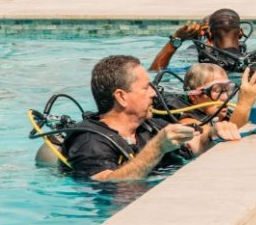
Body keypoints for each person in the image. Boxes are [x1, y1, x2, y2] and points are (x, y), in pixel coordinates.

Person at [60, 55, 240, 181]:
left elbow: (194, 145)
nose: (155, 93)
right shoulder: (90, 142)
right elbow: (107, 183)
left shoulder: (150, 127)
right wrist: (157, 148)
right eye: (146, 88)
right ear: (121, 97)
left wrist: (213, 132)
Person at [150, 7, 245, 71]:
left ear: (210, 33)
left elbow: (156, 72)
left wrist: (176, 40)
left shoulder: (203, 68)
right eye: (203, 30)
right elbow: (156, 70)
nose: (205, 34)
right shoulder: (192, 53)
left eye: (207, 31)